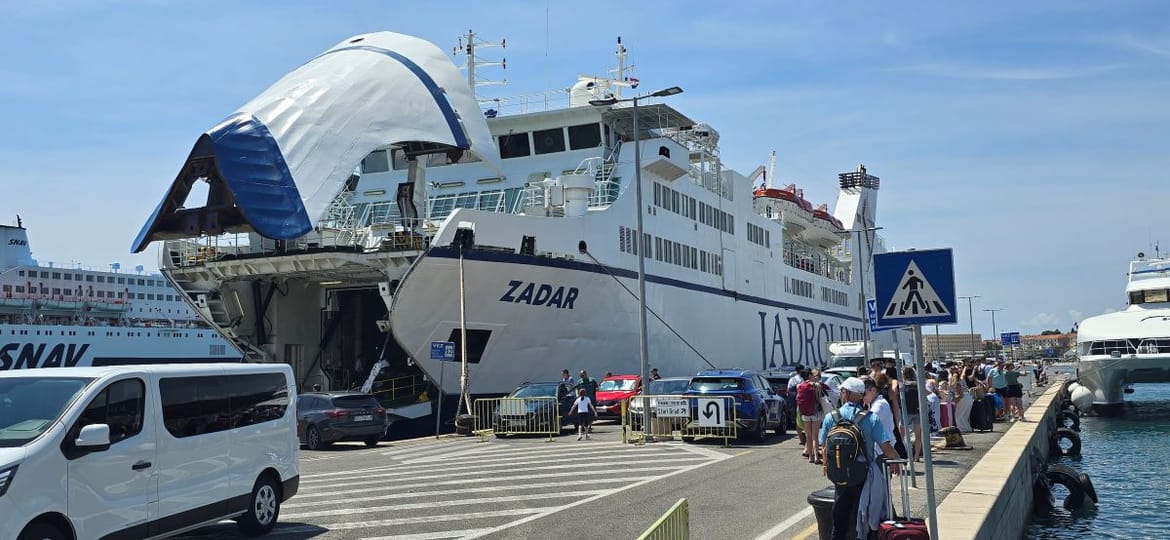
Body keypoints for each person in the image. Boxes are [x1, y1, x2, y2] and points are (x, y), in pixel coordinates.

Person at [819, 377, 901, 540]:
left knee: (839, 522)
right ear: (861, 395)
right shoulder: (871, 418)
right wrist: (896, 461)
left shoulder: (831, 417)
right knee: (863, 519)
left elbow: (823, 447)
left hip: (840, 476)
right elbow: (886, 447)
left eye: (842, 391)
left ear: (846, 393)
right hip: (863, 476)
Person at [795, 368, 822, 463]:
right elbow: (820, 398)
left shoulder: (800, 386)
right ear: (810, 376)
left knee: (808, 436)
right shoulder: (816, 385)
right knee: (815, 436)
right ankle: (816, 457)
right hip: (815, 412)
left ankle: (810, 457)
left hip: (805, 413)